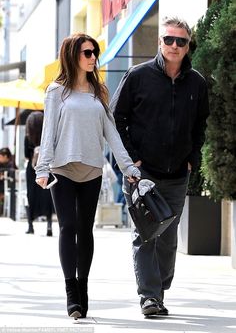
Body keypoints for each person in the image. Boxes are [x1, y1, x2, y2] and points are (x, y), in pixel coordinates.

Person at [34, 33, 141, 320]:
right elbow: (49, 135)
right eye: (87, 52)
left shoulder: (99, 92)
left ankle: (84, 287)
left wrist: (128, 167)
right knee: (68, 227)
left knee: (86, 229)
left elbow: (112, 134)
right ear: (73, 56)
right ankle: (72, 293)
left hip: (92, 169)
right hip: (63, 169)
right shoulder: (56, 91)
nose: (93, 57)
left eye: (95, 52)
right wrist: (42, 168)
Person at [111, 16, 209, 316]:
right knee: (145, 235)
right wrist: (131, 160)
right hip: (143, 174)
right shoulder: (137, 76)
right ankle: (149, 297)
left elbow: (200, 125)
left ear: (188, 44)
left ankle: (160, 287)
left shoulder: (197, 83)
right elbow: (116, 118)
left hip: (178, 173)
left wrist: (194, 159)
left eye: (181, 41)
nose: (174, 45)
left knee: (167, 238)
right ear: (159, 42)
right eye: (169, 39)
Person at [25, 111, 54, 236]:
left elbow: (26, 154)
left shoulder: (27, 137)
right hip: (46, 168)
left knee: (31, 197)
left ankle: (30, 226)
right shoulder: (47, 136)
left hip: (32, 170)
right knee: (47, 196)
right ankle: (49, 225)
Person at [0, 147, 14, 215]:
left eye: (0, 156)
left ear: (5, 156)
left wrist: (4, 176)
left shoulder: (11, 164)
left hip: (9, 186)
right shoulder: (2, 164)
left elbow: (12, 176)